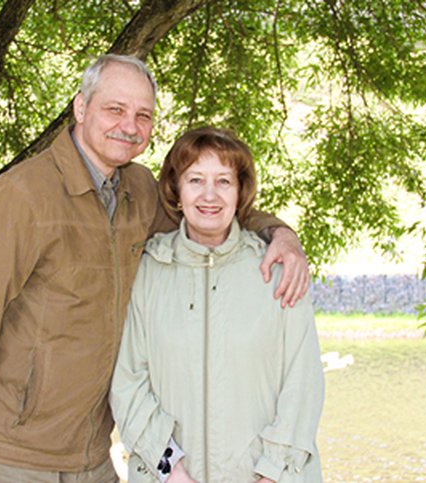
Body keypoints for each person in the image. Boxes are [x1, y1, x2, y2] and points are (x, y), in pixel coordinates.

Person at [0, 55, 310, 483]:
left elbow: (207, 214)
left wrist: (280, 234)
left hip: (92, 456)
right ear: (80, 107)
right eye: (115, 109)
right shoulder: (21, 196)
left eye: (142, 115)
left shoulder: (138, 190)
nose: (129, 125)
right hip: (13, 457)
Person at [110, 127, 325, 482]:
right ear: (177, 190)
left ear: (240, 191)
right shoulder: (148, 270)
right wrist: (171, 471)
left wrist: (271, 473)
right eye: (195, 179)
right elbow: (128, 382)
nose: (209, 195)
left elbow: (303, 384)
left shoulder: (277, 270)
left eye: (223, 181)